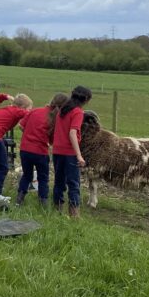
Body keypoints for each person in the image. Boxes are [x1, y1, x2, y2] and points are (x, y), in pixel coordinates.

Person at [0, 93, 33, 200]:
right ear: (23, 107)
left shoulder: (7, 109)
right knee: (3, 167)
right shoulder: (16, 110)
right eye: (29, 107)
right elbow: (29, 114)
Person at [17, 93, 67, 207]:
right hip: (40, 152)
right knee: (43, 177)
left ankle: (19, 200)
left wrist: (28, 136)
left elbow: (20, 126)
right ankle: (43, 202)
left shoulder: (35, 111)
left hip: (25, 149)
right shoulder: (55, 119)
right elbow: (52, 140)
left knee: (27, 175)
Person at [52, 86, 92, 218]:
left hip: (57, 151)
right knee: (74, 184)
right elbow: (72, 132)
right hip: (69, 153)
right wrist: (79, 155)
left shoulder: (62, 110)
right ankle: (74, 215)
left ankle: (57, 210)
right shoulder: (78, 112)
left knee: (59, 181)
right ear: (85, 99)